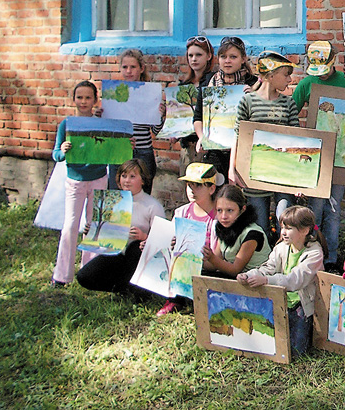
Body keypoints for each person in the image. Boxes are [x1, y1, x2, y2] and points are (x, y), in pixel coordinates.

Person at [291, 40, 345, 270]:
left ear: (334, 60)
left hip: (341, 156)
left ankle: (330, 259)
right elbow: (291, 113)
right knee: (315, 209)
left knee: (334, 209)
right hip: (316, 157)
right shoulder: (307, 83)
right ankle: (311, 257)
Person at [239, 205, 327, 355]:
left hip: (302, 304)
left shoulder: (314, 253)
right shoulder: (282, 247)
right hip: (280, 299)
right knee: (268, 342)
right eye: (282, 228)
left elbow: (295, 280)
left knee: (295, 351)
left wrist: (266, 280)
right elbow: (267, 267)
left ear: (305, 231)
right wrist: (249, 275)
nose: (283, 232)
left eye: (289, 228)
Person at [229, 51, 299, 237]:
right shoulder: (248, 101)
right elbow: (237, 136)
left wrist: (301, 178)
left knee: (285, 221)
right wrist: (232, 168)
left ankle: (283, 262)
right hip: (254, 174)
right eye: (286, 74)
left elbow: (297, 140)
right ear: (270, 75)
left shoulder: (288, 103)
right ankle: (265, 262)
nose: (290, 80)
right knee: (260, 225)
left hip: (284, 175)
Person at [50, 81, 109, 287]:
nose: (83, 101)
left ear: (95, 100)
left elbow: (111, 148)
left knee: (94, 226)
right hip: (75, 180)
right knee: (70, 225)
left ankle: (90, 273)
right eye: (79, 97)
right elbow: (56, 154)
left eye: (88, 97)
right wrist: (62, 150)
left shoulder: (101, 122)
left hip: (99, 177)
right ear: (73, 99)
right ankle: (61, 275)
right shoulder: (67, 124)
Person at [77, 159, 166, 293]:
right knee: (84, 277)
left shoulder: (153, 206)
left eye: (132, 176)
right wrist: (93, 231)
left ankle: (135, 287)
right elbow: (106, 237)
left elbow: (163, 241)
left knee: (135, 248)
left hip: (139, 258)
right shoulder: (112, 202)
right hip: (116, 254)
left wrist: (144, 237)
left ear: (142, 180)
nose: (127, 181)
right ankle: (120, 286)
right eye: (124, 176)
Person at [156, 162, 220, 316]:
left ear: (212, 188)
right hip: (181, 266)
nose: (192, 190)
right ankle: (174, 299)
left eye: (198, 185)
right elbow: (168, 241)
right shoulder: (181, 212)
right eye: (189, 185)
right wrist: (171, 243)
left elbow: (217, 257)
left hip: (206, 266)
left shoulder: (218, 217)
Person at [193, 36, 258, 179]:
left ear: (243, 59)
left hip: (244, 152)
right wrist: (202, 138)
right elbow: (198, 117)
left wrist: (256, 97)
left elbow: (261, 118)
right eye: (223, 56)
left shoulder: (254, 84)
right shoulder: (208, 83)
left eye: (233, 57)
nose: (227, 61)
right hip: (215, 152)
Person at [108, 49, 165, 192]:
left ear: (141, 68)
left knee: (141, 199)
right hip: (119, 152)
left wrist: (161, 115)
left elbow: (157, 131)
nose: (129, 71)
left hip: (143, 152)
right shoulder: (114, 93)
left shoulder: (150, 93)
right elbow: (107, 131)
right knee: (117, 198)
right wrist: (101, 115)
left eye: (133, 67)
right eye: (125, 67)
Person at [202, 184, 271, 278]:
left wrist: (211, 257)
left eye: (230, 210)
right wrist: (187, 254)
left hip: (255, 282)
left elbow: (235, 270)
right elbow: (213, 265)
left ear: (242, 209)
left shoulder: (252, 234)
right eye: (219, 210)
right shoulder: (224, 228)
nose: (224, 216)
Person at [177, 36, 216, 174]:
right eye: (190, 55)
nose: (194, 59)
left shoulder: (214, 82)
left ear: (209, 56)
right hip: (188, 148)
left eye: (198, 55)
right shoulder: (183, 85)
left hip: (209, 147)